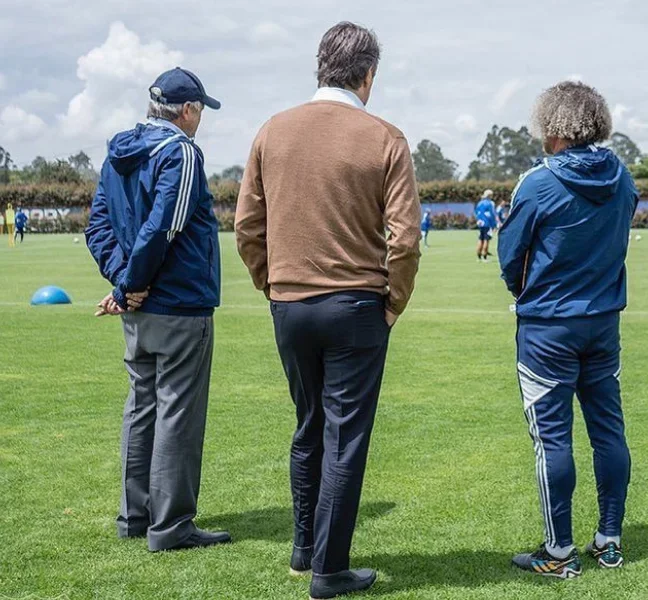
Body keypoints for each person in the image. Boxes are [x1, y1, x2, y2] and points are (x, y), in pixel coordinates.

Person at [235, 22, 421, 599]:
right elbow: (406, 240)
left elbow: (247, 226)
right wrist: (394, 302)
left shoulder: (272, 131)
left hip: (289, 303)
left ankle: (302, 549)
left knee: (308, 425)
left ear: (320, 67)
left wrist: (272, 285)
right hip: (356, 304)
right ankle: (328, 568)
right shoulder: (385, 137)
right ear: (368, 75)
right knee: (345, 436)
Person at [83, 67, 227, 552]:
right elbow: (164, 227)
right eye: (200, 110)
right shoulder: (181, 153)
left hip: (138, 309)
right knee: (176, 414)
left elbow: (97, 228)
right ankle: (171, 527)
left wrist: (124, 287)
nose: (200, 120)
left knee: (141, 407)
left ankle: (134, 517)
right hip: (179, 305)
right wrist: (133, 284)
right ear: (186, 111)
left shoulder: (117, 152)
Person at [499, 81, 636, 579]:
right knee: (608, 432)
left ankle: (559, 554)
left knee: (552, 441)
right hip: (603, 323)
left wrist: (524, 292)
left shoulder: (536, 183)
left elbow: (510, 256)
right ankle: (609, 540)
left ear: (551, 125)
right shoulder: (622, 177)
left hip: (547, 328)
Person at [476, 190, 497, 261]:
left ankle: (478, 256)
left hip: (480, 223)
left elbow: (476, 213)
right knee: (486, 240)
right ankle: (484, 256)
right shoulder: (489, 204)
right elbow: (492, 215)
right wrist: (494, 225)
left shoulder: (479, 203)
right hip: (487, 224)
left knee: (480, 239)